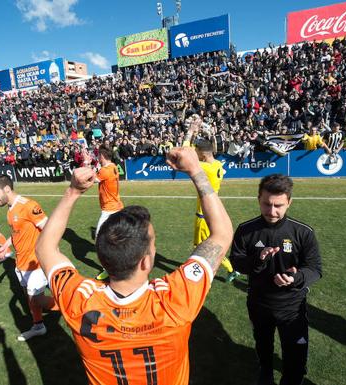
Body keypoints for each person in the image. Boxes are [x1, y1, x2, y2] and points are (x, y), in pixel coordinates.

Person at [35, 147, 233, 385]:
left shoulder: (80, 301)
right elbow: (221, 235)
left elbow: (45, 248)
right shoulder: (175, 300)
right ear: (147, 261)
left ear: (102, 258)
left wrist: (73, 191)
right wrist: (196, 170)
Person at [229, 174, 322, 385]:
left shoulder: (303, 232)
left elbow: (315, 269)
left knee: (295, 356)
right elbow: (236, 262)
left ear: (289, 202)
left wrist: (296, 277)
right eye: (266, 204)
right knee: (263, 344)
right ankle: (266, 372)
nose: (272, 211)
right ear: (258, 199)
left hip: (292, 307)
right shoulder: (246, 230)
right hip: (259, 303)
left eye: (278, 205)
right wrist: (258, 261)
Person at [0, 174, 56, 341]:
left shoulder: (29, 206)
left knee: (37, 299)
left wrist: (50, 255)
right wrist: (5, 246)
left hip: (36, 262)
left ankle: (76, 309)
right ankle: (39, 326)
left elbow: (50, 230)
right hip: (21, 262)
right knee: (29, 297)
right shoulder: (10, 209)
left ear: (7, 189)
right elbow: (17, 232)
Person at [183, 116, 240, 282]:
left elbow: (185, 152)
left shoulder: (205, 167)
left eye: (197, 152)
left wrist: (191, 131)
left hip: (204, 213)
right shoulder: (217, 164)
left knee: (203, 245)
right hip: (214, 207)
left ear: (201, 153)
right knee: (209, 242)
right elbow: (195, 149)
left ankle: (226, 270)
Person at [93, 145, 124, 280]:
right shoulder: (113, 167)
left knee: (99, 240)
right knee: (115, 239)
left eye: (98, 155)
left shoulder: (105, 170)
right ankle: (123, 263)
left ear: (102, 156)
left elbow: (90, 180)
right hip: (117, 206)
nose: (97, 157)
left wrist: (88, 163)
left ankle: (108, 269)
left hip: (109, 210)